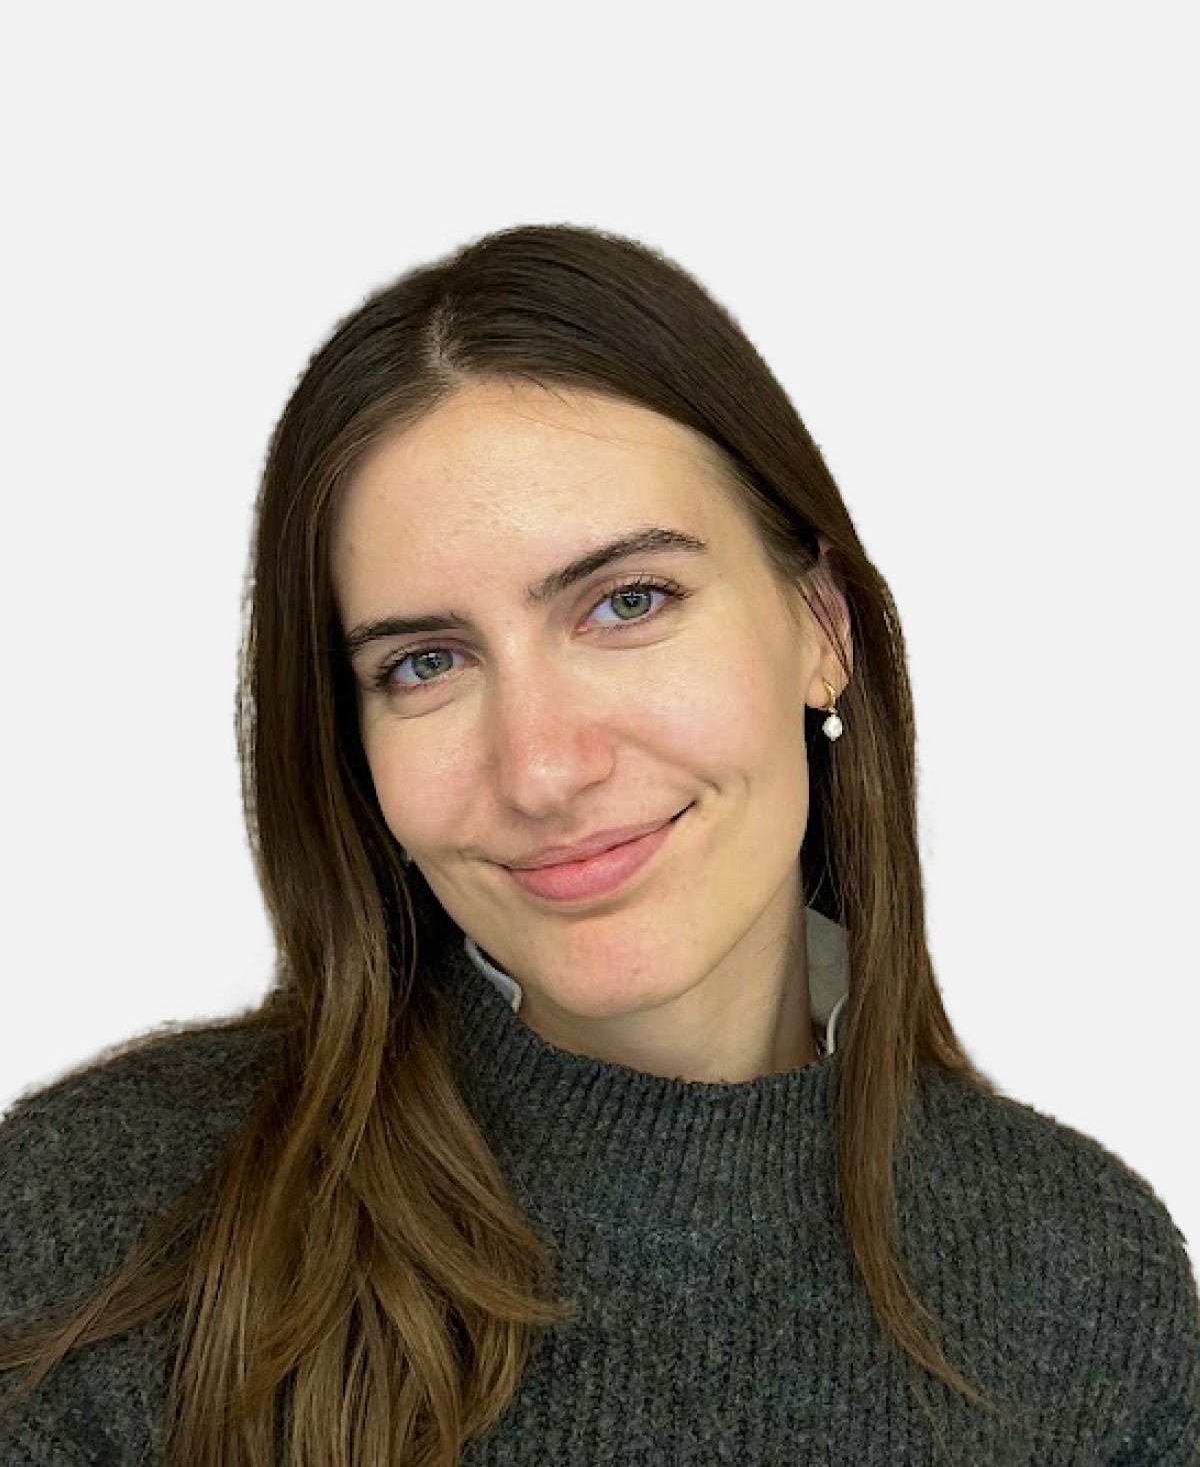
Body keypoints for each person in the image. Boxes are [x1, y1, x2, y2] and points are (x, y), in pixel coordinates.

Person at [1, 224, 1196, 1466]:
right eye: (425, 663)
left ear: (819, 627)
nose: (542, 768)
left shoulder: (1085, 1285)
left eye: (629, 602)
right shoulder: (98, 1241)